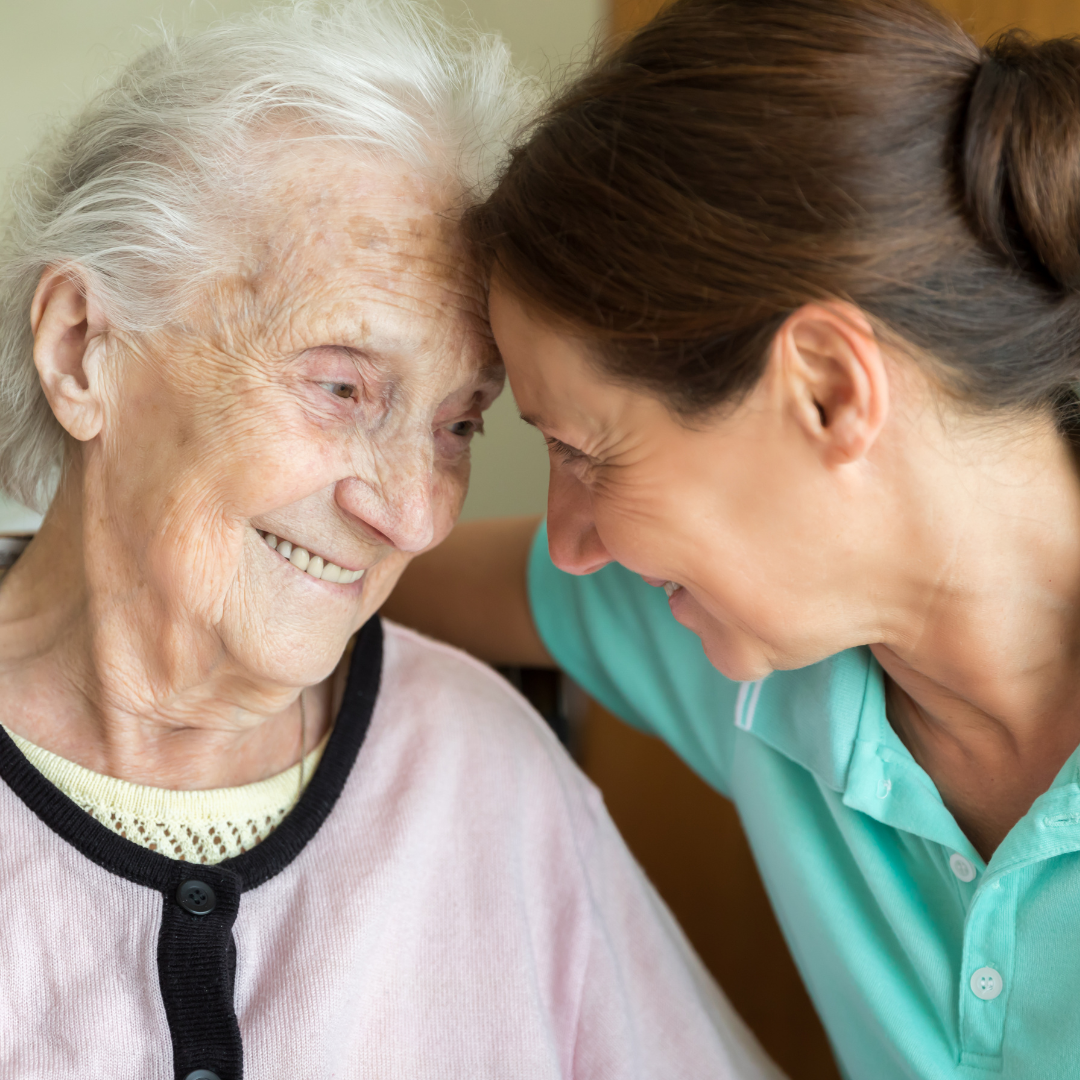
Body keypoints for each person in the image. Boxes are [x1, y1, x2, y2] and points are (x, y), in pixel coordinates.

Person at [0, 4, 786, 1078]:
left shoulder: (485, 772)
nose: (415, 516)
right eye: (340, 387)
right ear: (82, 349)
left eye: (458, 423)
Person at [383, 1, 1080, 1076]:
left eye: (584, 452)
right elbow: (365, 568)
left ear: (828, 392)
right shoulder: (731, 642)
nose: (572, 543)